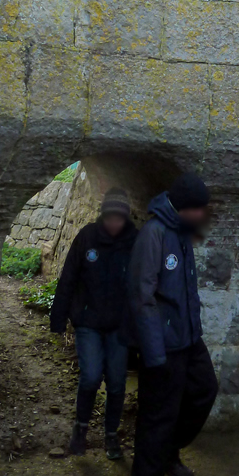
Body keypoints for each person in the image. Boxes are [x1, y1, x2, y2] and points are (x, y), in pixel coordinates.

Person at [125, 172, 219, 476]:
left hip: (187, 338)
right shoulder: (154, 234)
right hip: (161, 343)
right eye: (199, 209)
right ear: (183, 208)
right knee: (157, 417)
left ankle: (167, 454)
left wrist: (193, 329)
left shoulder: (180, 232)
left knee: (204, 390)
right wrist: (154, 352)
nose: (203, 215)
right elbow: (142, 296)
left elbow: (185, 289)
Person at [49, 187, 138, 459]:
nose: (114, 224)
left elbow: (143, 284)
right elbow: (69, 278)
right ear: (103, 216)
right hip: (88, 321)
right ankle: (81, 429)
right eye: (109, 218)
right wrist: (59, 317)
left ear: (126, 219)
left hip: (118, 325)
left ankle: (111, 435)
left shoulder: (135, 241)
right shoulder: (87, 237)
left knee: (116, 383)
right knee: (89, 377)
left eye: (119, 219)